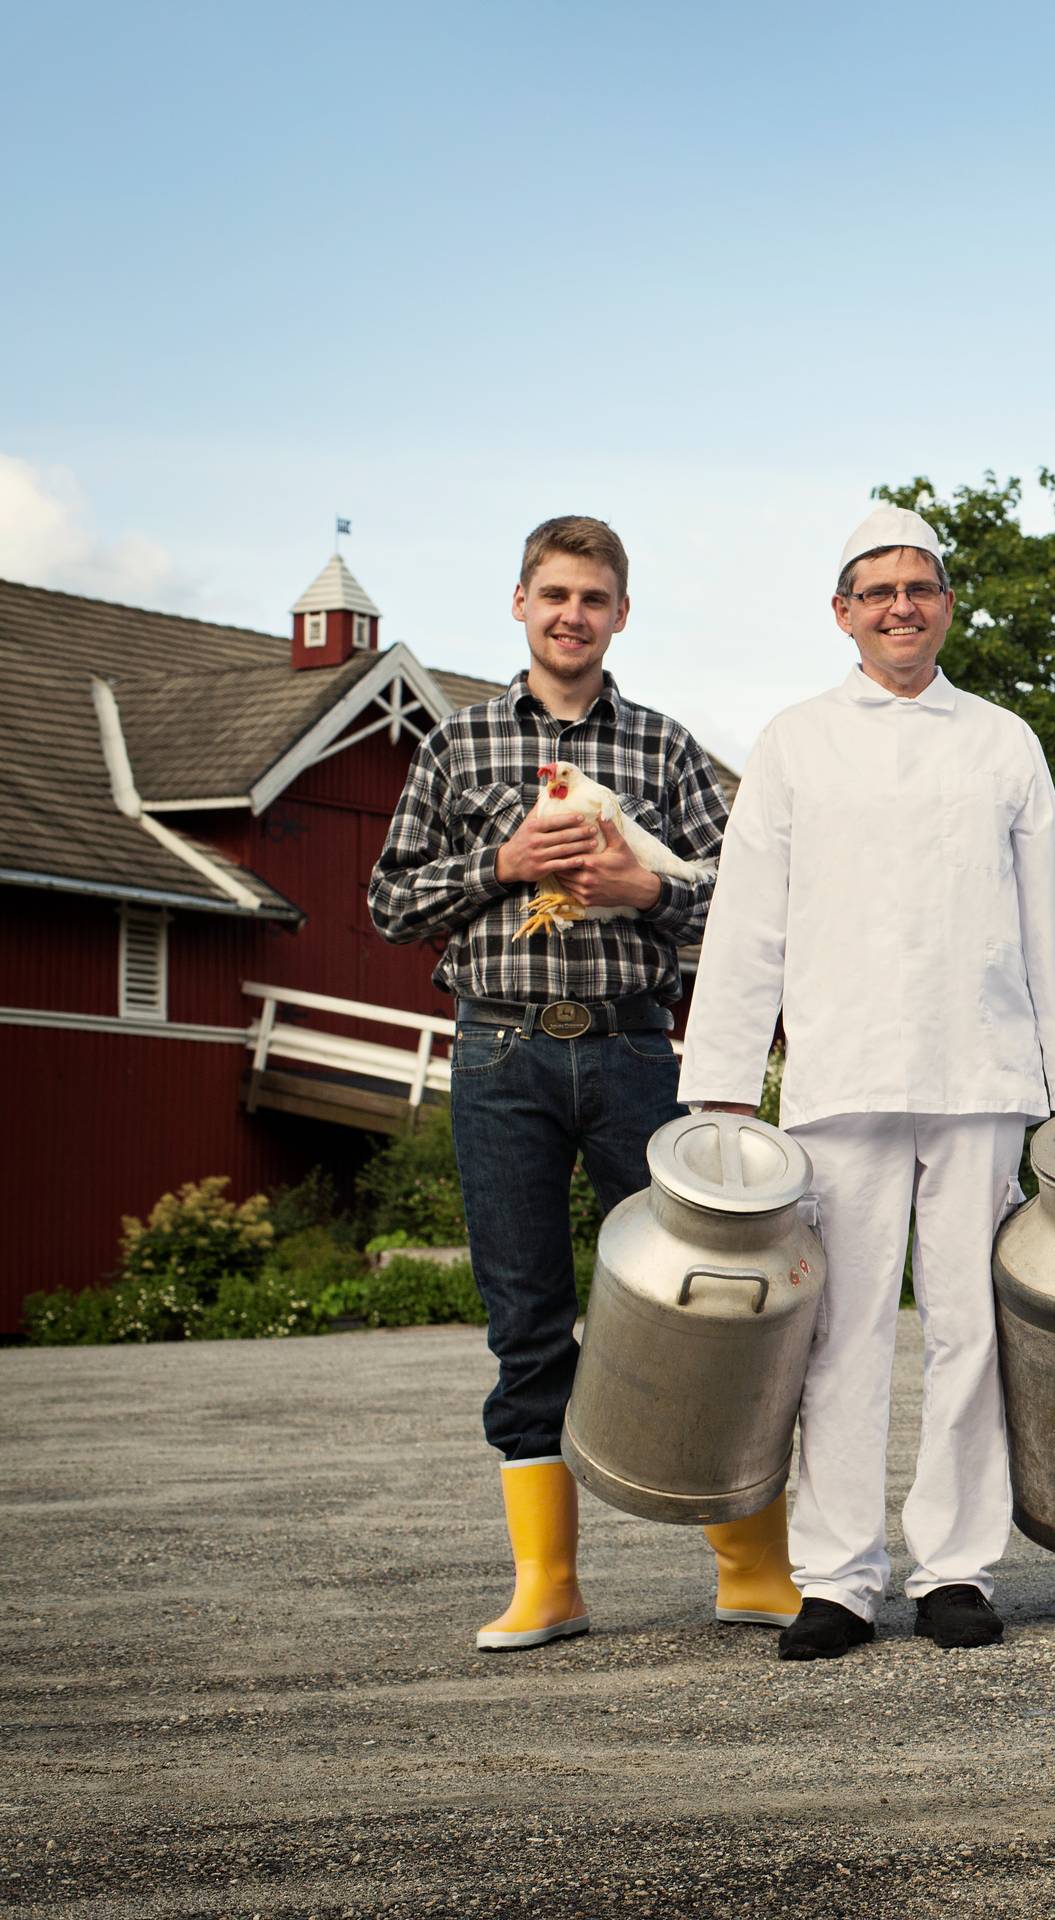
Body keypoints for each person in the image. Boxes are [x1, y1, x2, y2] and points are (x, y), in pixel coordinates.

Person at [679, 505, 1055, 1661]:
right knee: (840, 1331)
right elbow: (747, 926)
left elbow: (1054, 931)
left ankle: (957, 1568)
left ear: (944, 605)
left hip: (980, 1069)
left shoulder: (1003, 741)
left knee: (973, 1328)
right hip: (844, 1069)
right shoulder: (794, 742)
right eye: (875, 591)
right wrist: (722, 1088)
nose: (899, 607)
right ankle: (837, 1576)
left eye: (918, 588)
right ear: (843, 612)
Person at [369, 514, 788, 1649]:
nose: (571, 614)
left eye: (593, 598)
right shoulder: (458, 747)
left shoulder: (662, 747)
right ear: (520, 602)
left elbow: (747, 899)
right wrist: (502, 863)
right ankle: (547, 1582)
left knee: (708, 1300)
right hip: (500, 1050)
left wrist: (644, 893)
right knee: (529, 1320)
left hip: (634, 1046)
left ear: (620, 613)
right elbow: (389, 903)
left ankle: (750, 1564)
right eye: (553, 594)